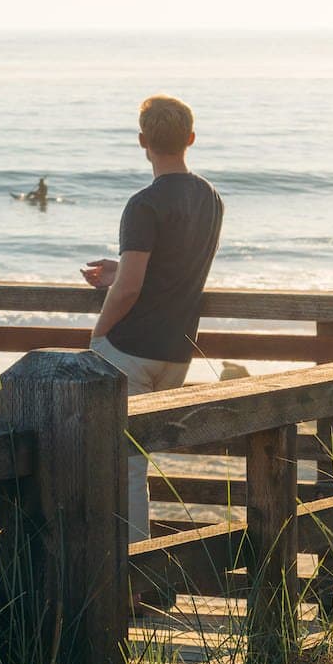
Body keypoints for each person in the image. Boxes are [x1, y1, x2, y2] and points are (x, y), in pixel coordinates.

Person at [80, 95, 223, 541]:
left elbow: (132, 290)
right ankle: (136, 571)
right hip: (178, 352)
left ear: (142, 141)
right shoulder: (210, 198)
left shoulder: (143, 204)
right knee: (135, 462)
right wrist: (121, 268)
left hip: (132, 350)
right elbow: (176, 267)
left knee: (124, 466)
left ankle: (131, 577)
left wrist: (98, 335)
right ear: (191, 139)